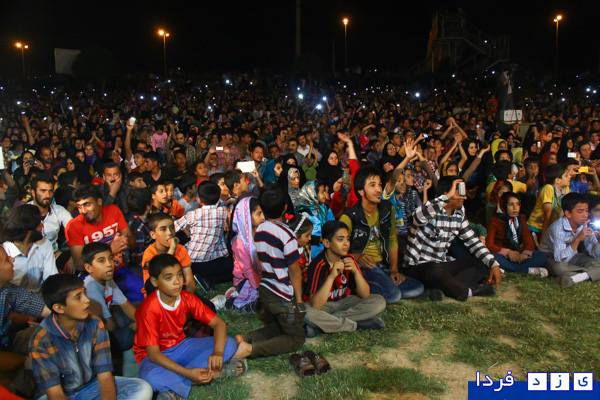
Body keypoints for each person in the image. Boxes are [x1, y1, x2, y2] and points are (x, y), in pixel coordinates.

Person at [134, 254, 249, 399]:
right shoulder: (148, 309)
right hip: (154, 356)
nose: (177, 281)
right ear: (155, 282)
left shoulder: (186, 298)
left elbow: (218, 324)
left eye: (179, 274)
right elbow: (154, 354)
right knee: (150, 378)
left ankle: (178, 383)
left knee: (229, 343)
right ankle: (212, 373)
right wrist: (188, 373)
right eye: (169, 278)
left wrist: (218, 352)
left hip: (181, 346)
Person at [30, 274, 153, 400]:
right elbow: (55, 394)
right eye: (78, 297)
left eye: (85, 293)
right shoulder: (42, 340)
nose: (87, 300)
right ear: (59, 308)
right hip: (63, 394)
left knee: (142, 389)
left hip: (92, 386)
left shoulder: (94, 323)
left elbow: (104, 376)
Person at [404, 176, 502, 302]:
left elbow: (473, 241)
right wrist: (447, 198)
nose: (464, 197)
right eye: (459, 192)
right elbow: (417, 217)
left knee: (481, 263)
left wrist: (494, 264)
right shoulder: (432, 210)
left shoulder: (459, 213)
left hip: (441, 266)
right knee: (432, 269)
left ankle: (442, 288)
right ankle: (467, 292)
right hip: (418, 267)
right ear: (447, 193)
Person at [236, 186, 306, 358]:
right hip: (282, 293)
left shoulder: (260, 230)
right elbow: (294, 270)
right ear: (284, 208)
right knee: (295, 339)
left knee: (276, 330)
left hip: (265, 289)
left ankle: (244, 338)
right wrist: (298, 299)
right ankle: (250, 350)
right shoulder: (287, 235)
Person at [340, 165, 424, 304]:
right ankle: (359, 287)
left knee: (417, 287)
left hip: (381, 266)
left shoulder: (386, 209)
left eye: (379, 184)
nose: (379, 189)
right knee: (394, 295)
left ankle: (382, 288)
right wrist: (357, 257)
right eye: (372, 185)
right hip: (362, 269)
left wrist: (394, 269)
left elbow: (392, 239)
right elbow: (337, 249)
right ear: (361, 191)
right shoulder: (350, 216)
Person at [303, 221, 387, 336]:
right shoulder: (318, 265)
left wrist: (356, 272)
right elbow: (316, 305)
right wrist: (331, 277)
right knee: (306, 313)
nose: (346, 244)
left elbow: (365, 294)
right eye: (340, 239)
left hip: (345, 302)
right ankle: (357, 325)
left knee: (379, 301)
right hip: (324, 306)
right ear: (326, 243)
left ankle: (325, 324)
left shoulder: (349, 260)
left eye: (347, 239)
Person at [66, 184, 143, 302]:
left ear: (99, 202)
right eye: (79, 207)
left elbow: (132, 241)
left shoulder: (113, 211)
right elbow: (80, 264)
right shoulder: (74, 226)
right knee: (94, 306)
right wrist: (111, 250)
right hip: (94, 279)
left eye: (87, 205)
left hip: (119, 271)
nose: (83, 211)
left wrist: (123, 241)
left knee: (145, 293)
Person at [0, 245, 50, 396]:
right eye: (6, 259)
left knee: (47, 333)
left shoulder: (6, 289)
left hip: (5, 342)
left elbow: (41, 307)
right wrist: (27, 361)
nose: (12, 259)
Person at [82, 242, 137, 358]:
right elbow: (110, 325)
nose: (109, 264)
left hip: (107, 324)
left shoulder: (107, 279)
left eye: (110, 258)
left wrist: (141, 323)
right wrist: (134, 327)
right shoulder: (90, 288)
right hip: (96, 338)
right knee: (128, 335)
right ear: (88, 268)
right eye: (101, 261)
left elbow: (125, 305)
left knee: (140, 308)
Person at [174, 181, 232, 287]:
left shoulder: (193, 214)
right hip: (214, 262)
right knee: (235, 268)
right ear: (218, 198)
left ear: (199, 199)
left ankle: (201, 278)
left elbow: (174, 227)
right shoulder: (223, 211)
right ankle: (209, 280)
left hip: (192, 262)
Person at [540, 193, 600, 288]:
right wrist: (578, 239)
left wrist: (599, 241)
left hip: (573, 257)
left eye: (586, 211)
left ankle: (573, 278)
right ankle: (587, 274)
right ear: (568, 213)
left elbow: (595, 254)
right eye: (580, 212)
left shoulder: (583, 225)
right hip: (551, 257)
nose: (585, 215)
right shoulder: (558, 228)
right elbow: (560, 259)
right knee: (559, 268)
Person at [486, 192, 549, 276]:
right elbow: (489, 245)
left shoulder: (520, 219)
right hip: (502, 256)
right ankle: (527, 270)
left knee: (543, 256)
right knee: (492, 257)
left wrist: (525, 253)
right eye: (511, 204)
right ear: (503, 205)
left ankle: (510, 269)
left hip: (518, 255)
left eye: (517, 204)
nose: (515, 208)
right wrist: (508, 252)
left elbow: (529, 240)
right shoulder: (496, 221)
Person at [2, 205, 58, 293]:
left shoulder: (44, 243)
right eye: (39, 224)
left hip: (40, 297)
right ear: (29, 231)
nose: (42, 225)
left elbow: (52, 279)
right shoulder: (4, 253)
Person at [142, 213, 194, 296]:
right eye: (163, 229)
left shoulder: (180, 249)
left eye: (172, 227)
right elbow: (160, 270)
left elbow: (189, 280)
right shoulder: (149, 253)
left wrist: (188, 298)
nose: (169, 232)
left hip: (178, 290)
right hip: (157, 293)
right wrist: (172, 249)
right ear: (153, 235)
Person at [229, 197, 264, 311]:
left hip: (259, 276)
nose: (263, 217)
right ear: (246, 216)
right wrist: (259, 287)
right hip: (245, 280)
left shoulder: (260, 233)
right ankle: (231, 299)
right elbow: (248, 269)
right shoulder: (239, 242)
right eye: (259, 213)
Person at [28, 175, 72, 254]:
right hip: (31, 256)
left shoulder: (59, 211)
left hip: (54, 254)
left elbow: (73, 230)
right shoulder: (23, 213)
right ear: (33, 193)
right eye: (43, 191)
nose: (47, 195)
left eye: (50, 191)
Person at [527, 163, 571, 242]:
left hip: (550, 228)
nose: (569, 177)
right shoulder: (548, 188)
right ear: (557, 180)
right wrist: (543, 237)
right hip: (537, 227)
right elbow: (548, 213)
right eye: (566, 176)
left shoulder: (565, 189)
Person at [295, 180, 335, 255]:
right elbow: (302, 235)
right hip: (312, 251)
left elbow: (332, 225)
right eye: (322, 192)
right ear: (313, 194)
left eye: (325, 191)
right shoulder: (303, 213)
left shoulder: (326, 209)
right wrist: (319, 239)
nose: (325, 194)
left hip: (327, 249)